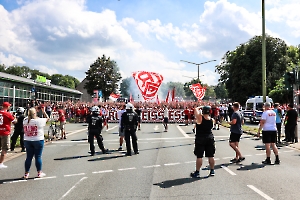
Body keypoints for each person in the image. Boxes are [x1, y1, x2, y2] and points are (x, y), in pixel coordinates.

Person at [22, 107, 49, 179]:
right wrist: (43, 112)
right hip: (38, 140)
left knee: (28, 157)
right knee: (38, 157)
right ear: (35, 113)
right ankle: (39, 172)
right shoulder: (39, 121)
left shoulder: (25, 120)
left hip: (27, 140)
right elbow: (47, 118)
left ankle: (26, 173)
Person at [190, 105, 215, 178]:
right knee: (211, 155)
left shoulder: (200, 118)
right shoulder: (212, 120)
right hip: (209, 137)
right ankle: (212, 170)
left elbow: (195, 110)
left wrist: (200, 107)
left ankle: (197, 172)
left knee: (199, 156)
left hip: (200, 138)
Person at [0, 102, 15, 169]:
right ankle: (1, 163)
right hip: (5, 132)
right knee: (4, 148)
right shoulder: (8, 114)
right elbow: (14, 121)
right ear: (7, 106)